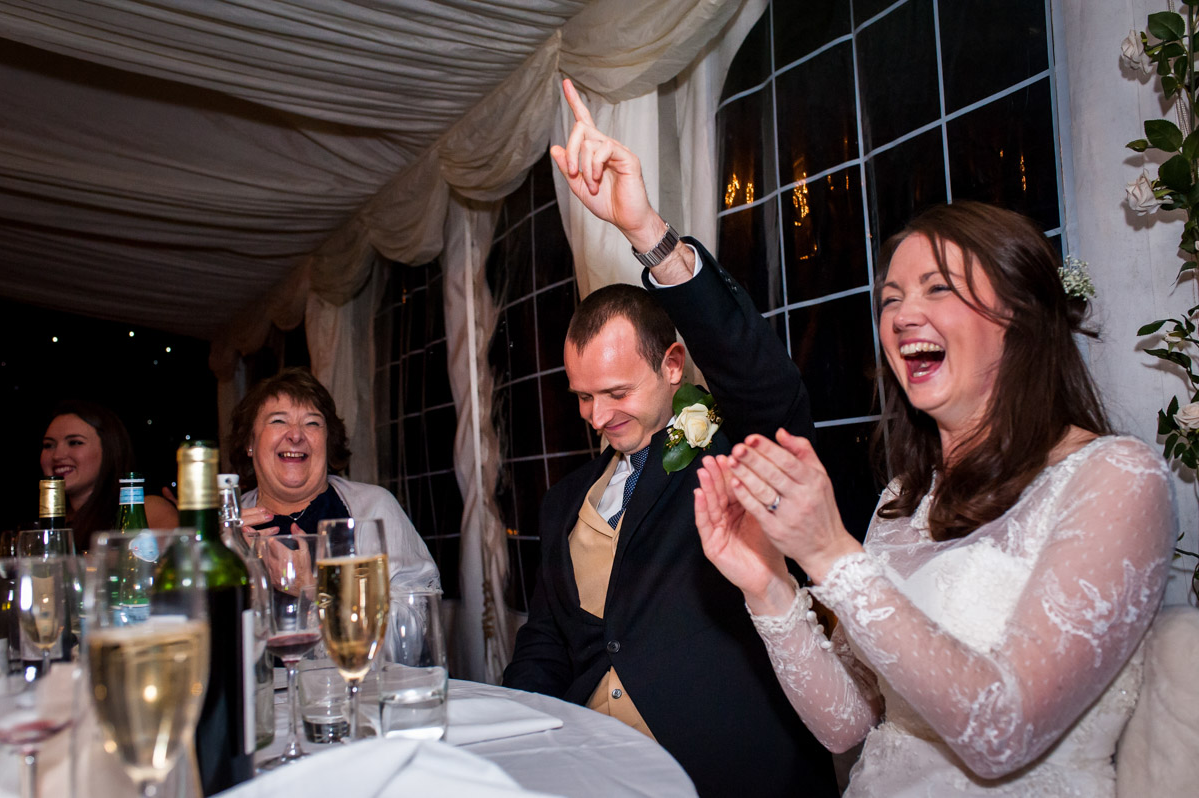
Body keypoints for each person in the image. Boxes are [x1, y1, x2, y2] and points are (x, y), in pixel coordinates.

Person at [693, 200, 1176, 797]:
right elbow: (846, 723)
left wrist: (830, 554)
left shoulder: (1115, 478)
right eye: (890, 298)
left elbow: (1004, 732)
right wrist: (765, 584)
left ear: (1020, 314)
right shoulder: (904, 499)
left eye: (937, 288)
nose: (902, 315)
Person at [501, 80, 838, 797]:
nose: (596, 417)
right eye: (583, 397)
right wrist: (521, 732)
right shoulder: (565, 504)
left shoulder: (734, 452)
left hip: (725, 772)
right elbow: (547, 639)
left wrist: (647, 232)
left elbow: (765, 384)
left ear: (673, 365)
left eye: (617, 393)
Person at [228, 367, 439, 591]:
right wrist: (223, 554)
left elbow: (415, 612)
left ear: (328, 441)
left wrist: (310, 590)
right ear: (249, 442)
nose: (296, 435)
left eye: (312, 423)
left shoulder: (374, 510)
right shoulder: (226, 525)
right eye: (279, 421)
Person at [40, 400, 178, 552]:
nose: (57, 455)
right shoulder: (49, 525)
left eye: (75, 442)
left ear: (110, 450)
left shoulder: (142, 510)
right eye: (48, 445)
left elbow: (158, 566)